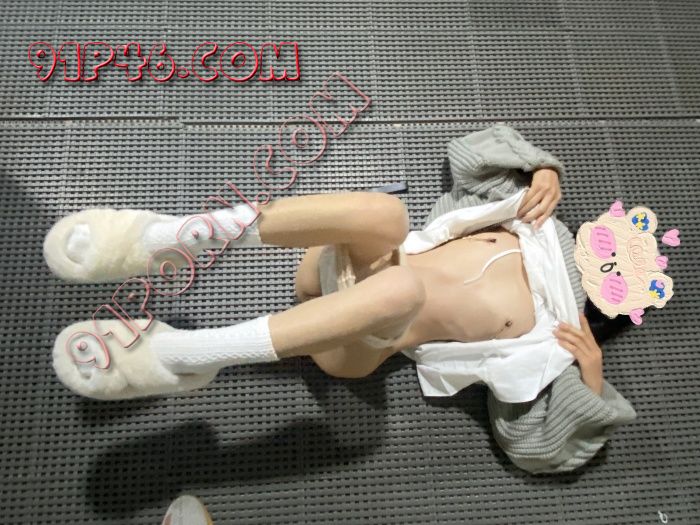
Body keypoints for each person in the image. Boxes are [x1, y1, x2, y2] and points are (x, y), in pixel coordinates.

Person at [43, 123, 637, 473]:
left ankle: (181, 356)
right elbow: (470, 152)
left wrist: (590, 379)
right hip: (333, 268)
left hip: (355, 341)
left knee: (402, 287)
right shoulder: (533, 225)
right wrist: (540, 168)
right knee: (386, 213)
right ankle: (161, 239)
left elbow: (536, 449)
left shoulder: (558, 342)